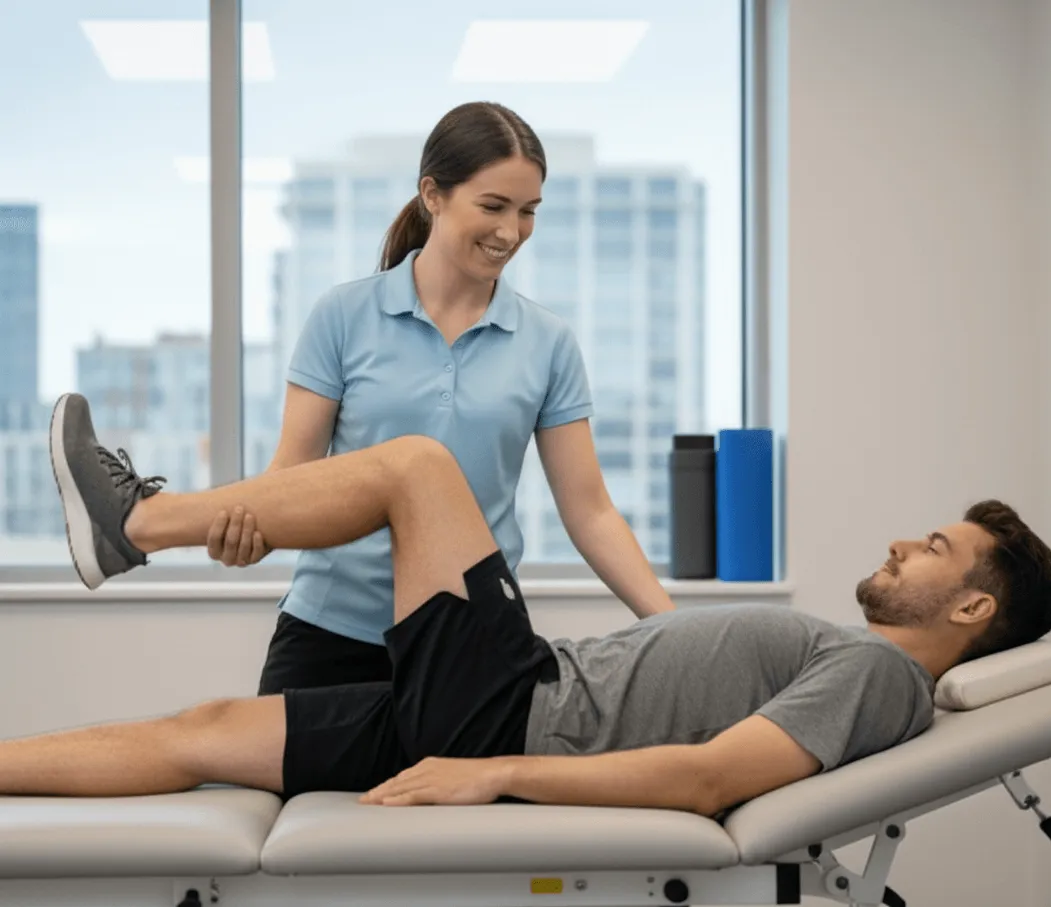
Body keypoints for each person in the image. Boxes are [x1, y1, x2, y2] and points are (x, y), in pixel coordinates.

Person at [34, 391, 1051, 813]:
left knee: (418, 467)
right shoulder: (854, 660)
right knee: (204, 728)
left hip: (513, 710)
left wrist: (497, 773)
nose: (899, 543)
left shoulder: (879, 674)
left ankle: (139, 525)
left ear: (971, 611)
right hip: (496, 705)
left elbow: (708, 777)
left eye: (933, 548)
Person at [210, 100, 676, 697]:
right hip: (331, 629)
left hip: (472, 638)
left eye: (528, 211)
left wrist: (675, 631)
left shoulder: (548, 342)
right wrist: (254, 529)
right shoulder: (343, 315)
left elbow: (591, 513)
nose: (511, 231)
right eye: (493, 206)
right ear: (432, 194)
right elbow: (293, 474)